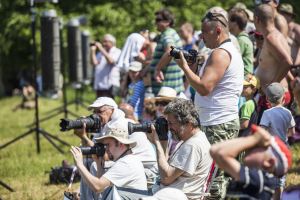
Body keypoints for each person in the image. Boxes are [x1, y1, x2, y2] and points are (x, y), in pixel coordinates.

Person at [175, 11, 244, 199]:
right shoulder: (225, 52)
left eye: (205, 33)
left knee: (213, 182)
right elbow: (206, 85)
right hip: (218, 121)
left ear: (218, 30)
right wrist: (195, 68)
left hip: (217, 124)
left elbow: (204, 88)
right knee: (213, 179)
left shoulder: (221, 54)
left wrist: (185, 68)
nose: (202, 37)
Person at [147, 98, 212, 200]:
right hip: (166, 194)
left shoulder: (193, 145)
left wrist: (157, 143)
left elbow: (166, 178)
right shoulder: (193, 140)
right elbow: (166, 167)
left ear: (188, 123)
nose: (168, 128)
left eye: (171, 123)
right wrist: (163, 141)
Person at [210, 125, 292, 199]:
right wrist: (253, 139)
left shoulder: (262, 180)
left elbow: (220, 153)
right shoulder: (258, 178)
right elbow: (214, 151)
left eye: (255, 145)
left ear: (269, 162)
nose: (248, 147)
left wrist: (254, 139)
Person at [70, 126, 148, 199]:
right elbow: (102, 190)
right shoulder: (128, 160)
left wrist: (80, 164)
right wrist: (98, 163)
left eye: (108, 145)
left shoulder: (126, 163)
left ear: (120, 144)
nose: (106, 149)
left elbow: (97, 187)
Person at [73, 97, 126, 199]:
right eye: (94, 112)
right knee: (88, 160)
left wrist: (83, 136)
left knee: (94, 165)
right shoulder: (104, 124)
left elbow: (105, 155)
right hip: (118, 162)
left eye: (100, 111)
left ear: (112, 110)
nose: (96, 115)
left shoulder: (118, 125)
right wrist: (83, 135)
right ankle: (85, 195)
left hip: (137, 168)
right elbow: (93, 151)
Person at [254, 4, 293, 122]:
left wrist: (271, 85)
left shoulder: (272, 38)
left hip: (274, 97)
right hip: (273, 96)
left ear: (256, 19)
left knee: (269, 139)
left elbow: (287, 61)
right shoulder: (274, 35)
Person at [259, 82, 295, 199]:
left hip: (271, 149)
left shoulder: (267, 113)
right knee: (280, 179)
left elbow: (262, 132)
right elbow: (292, 132)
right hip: (284, 148)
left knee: (268, 177)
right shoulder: (287, 112)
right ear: (284, 97)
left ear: (268, 100)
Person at [152, 8, 184, 95]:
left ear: (168, 22)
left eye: (158, 20)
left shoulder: (168, 34)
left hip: (167, 91)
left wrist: (157, 69)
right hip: (169, 89)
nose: (155, 23)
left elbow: (170, 50)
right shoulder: (170, 33)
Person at [229, 8, 254, 75]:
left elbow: (233, 60)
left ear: (235, 24)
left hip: (244, 77)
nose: (227, 23)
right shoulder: (241, 38)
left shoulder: (241, 40)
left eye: (229, 21)